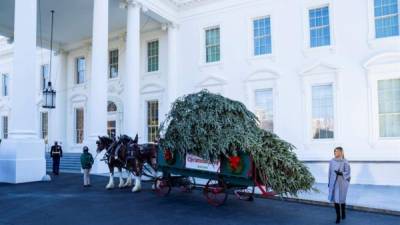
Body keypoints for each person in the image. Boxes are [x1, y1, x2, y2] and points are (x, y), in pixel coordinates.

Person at [328, 147, 351, 224]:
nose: (335, 152)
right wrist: (329, 182)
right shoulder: (332, 161)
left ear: (341, 152)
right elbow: (330, 172)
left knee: (342, 199)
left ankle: (343, 213)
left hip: (342, 183)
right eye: (334, 151)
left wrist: (341, 173)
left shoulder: (345, 161)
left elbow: (348, 172)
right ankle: (338, 217)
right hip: (333, 183)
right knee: (335, 200)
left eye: (337, 151)